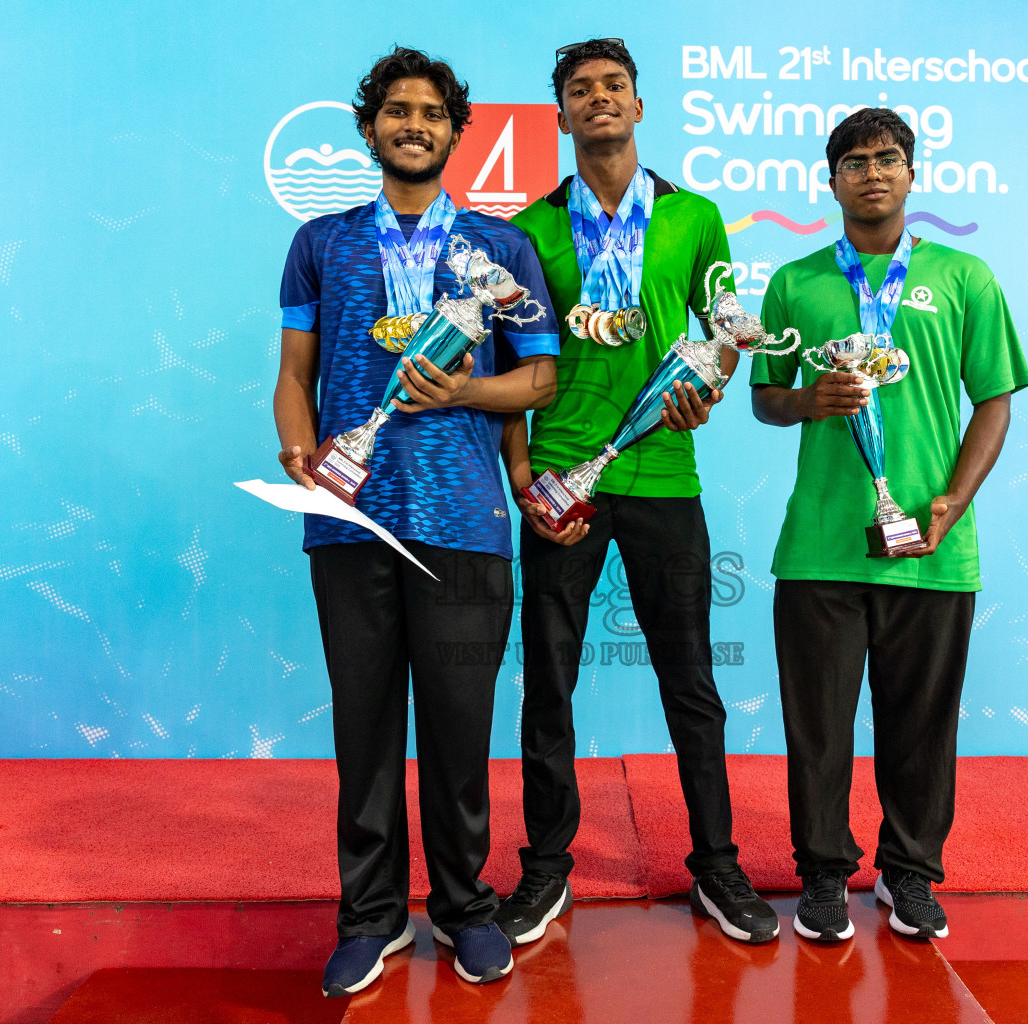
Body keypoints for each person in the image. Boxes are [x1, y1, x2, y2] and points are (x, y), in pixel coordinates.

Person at [273, 46, 559, 993]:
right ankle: (372, 916)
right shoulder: (321, 241)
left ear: (454, 133)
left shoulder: (500, 248)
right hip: (349, 518)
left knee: (457, 730)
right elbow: (294, 374)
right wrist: (297, 448)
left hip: (465, 520)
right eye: (397, 110)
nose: (414, 125)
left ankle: (465, 908)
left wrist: (465, 390)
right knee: (364, 731)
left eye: (433, 113)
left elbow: (540, 379)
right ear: (369, 128)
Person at [496, 37, 779, 947]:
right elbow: (509, 361)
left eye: (614, 85)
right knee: (549, 682)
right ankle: (547, 871)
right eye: (581, 89)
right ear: (562, 114)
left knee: (691, 680)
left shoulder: (695, 216)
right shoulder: (530, 230)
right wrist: (521, 476)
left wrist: (712, 386)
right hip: (562, 478)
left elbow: (724, 333)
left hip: (662, 473)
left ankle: (717, 866)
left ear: (639, 105)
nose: (599, 99)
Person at [750, 107, 1028, 942]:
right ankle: (823, 876)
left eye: (887, 158)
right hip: (821, 547)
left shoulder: (965, 276)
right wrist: (810, 399)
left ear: (911, 173)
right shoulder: (795, 281)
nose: (871, 172)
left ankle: (909, 872)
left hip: (930, 546)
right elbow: (766, 400)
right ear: (830, 180)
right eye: (854, 161)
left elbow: (995, 401)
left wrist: (956, 499)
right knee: (819, 731)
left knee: (921, 728)